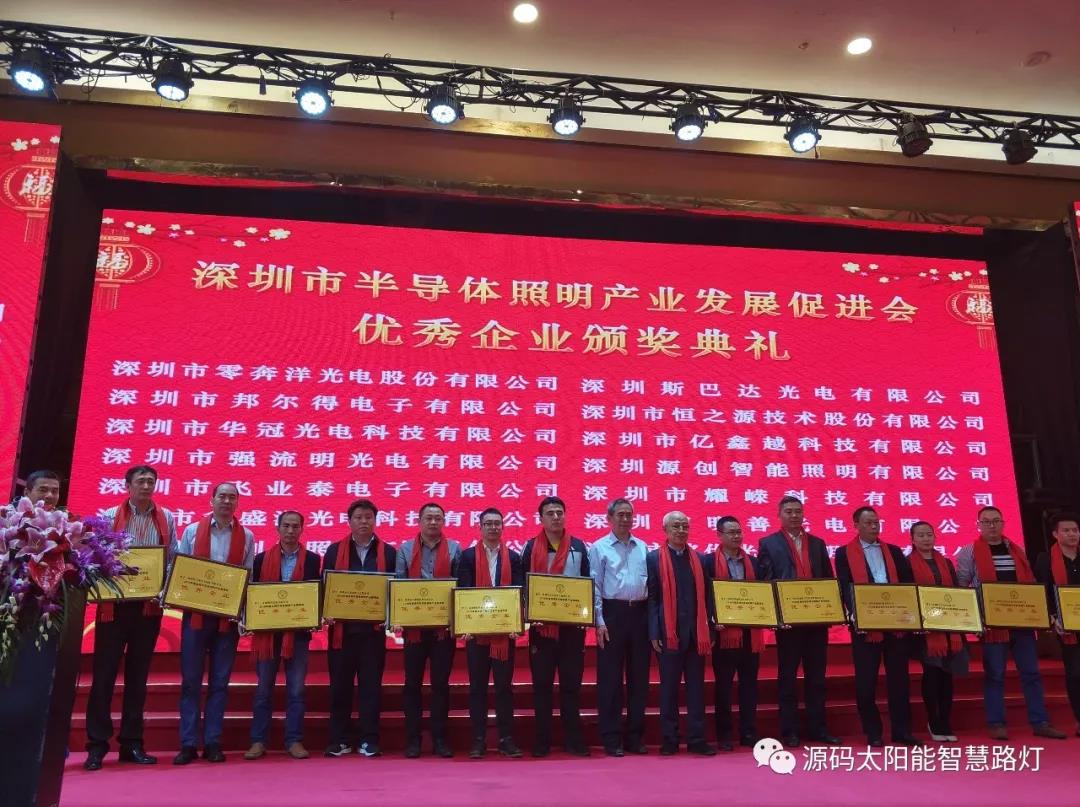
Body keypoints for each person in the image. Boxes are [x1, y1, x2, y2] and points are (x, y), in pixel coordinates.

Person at [84, 465, 177, 770]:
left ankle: (132, 743)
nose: (147, 485)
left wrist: (163, 587)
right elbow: (96, 557)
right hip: (114, 606)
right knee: (104, 677)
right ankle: (97, 745)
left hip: (148, 608)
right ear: (127, 485)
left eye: (151, 481)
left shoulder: (166, 518)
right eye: (141, 481)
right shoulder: (109, 515)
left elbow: (171, 559)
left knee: (138, 678)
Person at [956, 506, 1066, 740]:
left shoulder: (1017, 550)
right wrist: (976, 619)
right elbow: (962, 588)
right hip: (992, 626)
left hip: (1022, 623)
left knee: (1031, 673)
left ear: (1003, 523)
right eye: (986, 522)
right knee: (995, 675)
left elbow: (1030, 585)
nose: (992, 525)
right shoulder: (968, 552)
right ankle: (996, 723)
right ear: (979, 525)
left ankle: (1040, 722)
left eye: (996, 521)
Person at [172, 482, 255, 764]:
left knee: (220, 682)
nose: (227, 501)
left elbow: (247, 576)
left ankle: (212, 742)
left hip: (227, 620)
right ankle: (187, 743)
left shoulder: (247, 536)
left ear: (237, 503)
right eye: (222, 496)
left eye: (232, 497)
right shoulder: (192, 531)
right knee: (191, 681)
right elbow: (180, 568)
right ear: (211, 500)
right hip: (195, 617)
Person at [756, 496, 840, 748]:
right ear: (779, 515)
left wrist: (831, 611)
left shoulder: (818, 543)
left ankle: (818, 729)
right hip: (789, 624)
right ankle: (789, 731)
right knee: (788, 678)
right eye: (789, 512)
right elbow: (767, 581)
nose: (794, 516)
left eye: (798, 511)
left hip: (816, 621)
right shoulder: (768, 543)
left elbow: (827, 579)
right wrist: (777, 616)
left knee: (817, 679)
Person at [834, 506, 920, 747]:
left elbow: (906, 584)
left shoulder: (893, 551)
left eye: (876, 522)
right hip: (865, 627)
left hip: (895, 625)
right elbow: (844, 587)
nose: (874, 526)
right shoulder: (843, 553)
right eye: (868, 522)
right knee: (866, 682)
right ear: (856, 525)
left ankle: (902, 731)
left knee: (899, 681)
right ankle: (873, 732)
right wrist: (856, 614)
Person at [244, 511, 321, 761]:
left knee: (296, 690)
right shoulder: (260, 560)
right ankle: (258, 741)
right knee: (263, 690)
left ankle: (294, 740)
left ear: (302, 529)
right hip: (267, 636)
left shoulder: (313, 560)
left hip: (297, 636)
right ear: (277, 529)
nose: (290, 531)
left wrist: (314, 616)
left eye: (295, 526)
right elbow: (253, 595)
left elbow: (316, 593)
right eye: (286, 526)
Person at [322, 498, 397, 758]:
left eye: (368, 517)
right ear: (349, 521)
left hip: (372, 634)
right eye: (358, 517)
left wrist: (391, 614)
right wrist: (326, 611)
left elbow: (394, 592)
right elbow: (325, 587)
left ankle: (369, 739)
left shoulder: (389, 553)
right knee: (340, 687)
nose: (364, 521)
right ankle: (340, 739)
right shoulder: (334, 551)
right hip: (341, 633)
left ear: (375, 521)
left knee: (370, 688)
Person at [521, 496, 592, 757]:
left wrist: (585, 615)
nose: (555, 517)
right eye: (550, 513)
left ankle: (574, 741)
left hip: (572, 629)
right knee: (542, 687)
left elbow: (587, 583)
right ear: (541, 518)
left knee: (571, 687)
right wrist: (530, 613)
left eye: (559, 512)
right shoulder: (531, 547)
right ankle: (543, 742)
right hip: (542, 629)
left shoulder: (579, 547)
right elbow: (524, 586)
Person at [394, 502, 462, 758]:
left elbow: (460, 589)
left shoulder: (455, 549)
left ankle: (439, 738)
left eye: (438, 518)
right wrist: (398, 616)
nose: (433, 522)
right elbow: (398, 586)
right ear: (419, 521)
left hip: (443, 629)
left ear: (444, 521)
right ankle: (413, 739)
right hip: (414, 629)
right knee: (412, 684)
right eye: (428, 518)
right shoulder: (405, 549)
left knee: (440, 685)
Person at [647, 511, 716, 756]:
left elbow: (708, 598)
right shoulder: (653, 559)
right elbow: (652, 598)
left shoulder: (700, 559)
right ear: (665, 530)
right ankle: (670, 739)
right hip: (669, 634)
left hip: (696, 635)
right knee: (669, 690)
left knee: (696, 690)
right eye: (676, 526)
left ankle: (697, 739)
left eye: (685, 526)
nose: (681, 531)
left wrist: (709, 629)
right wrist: (654, 631)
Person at [457, 507, 524, 759]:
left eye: (497, 523)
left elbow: (518, 593)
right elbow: (463, 591)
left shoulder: (514, 557)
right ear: (480, 527)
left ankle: (507, 739)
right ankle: (478, 740)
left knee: (504, 688)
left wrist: (516, 623)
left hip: (504, 635)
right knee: (478, 688)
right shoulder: (467, 557)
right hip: (476, 635)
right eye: (488, 523)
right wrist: (465, 625)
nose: (493, 527)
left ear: (502, 527)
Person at [588, 497, 650, 757]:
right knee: (610, 680)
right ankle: (611, 738)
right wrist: (599, 621)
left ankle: (634, 737)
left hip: (640, 615)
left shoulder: (643, 547)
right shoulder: (599, 547)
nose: (625, 519)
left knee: (639, 679)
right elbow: (595, 586)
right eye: (620, 515)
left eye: (629, 515)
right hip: (612, 615)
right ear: (609, 518)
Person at [907, 520, 968, 742]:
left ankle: (945, 720)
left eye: (929, 534)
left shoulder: (946, 562)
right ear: (912, 539)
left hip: (949, 625)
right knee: (932, 674)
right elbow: (908, 595)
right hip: (926, 630)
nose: (926, 539)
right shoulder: (907, 564)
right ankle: (934, 721)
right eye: (921, 535)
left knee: (947, 675)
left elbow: (956, 593)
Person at [706, 516, 762, 752]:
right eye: (731, 532)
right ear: (719, 535)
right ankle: (725, 734)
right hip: (724, 635)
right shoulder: (708, 562)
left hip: (750, 634)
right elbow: (706, 596)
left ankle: (748, 732)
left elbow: (762, 595)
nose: (736, 536)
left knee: (749, 686)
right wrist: (713, 619)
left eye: (739, 532)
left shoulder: (754, 563)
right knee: (724, 687)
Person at [1034, 512, 1080, 737]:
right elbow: (1042, 591)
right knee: (1075, 673)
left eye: (1075, 530)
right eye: (1066, 530)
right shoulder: (1045, 559)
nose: (1072, 534)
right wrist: (1053, 618)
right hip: (1066, 627)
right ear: (1055, 534)